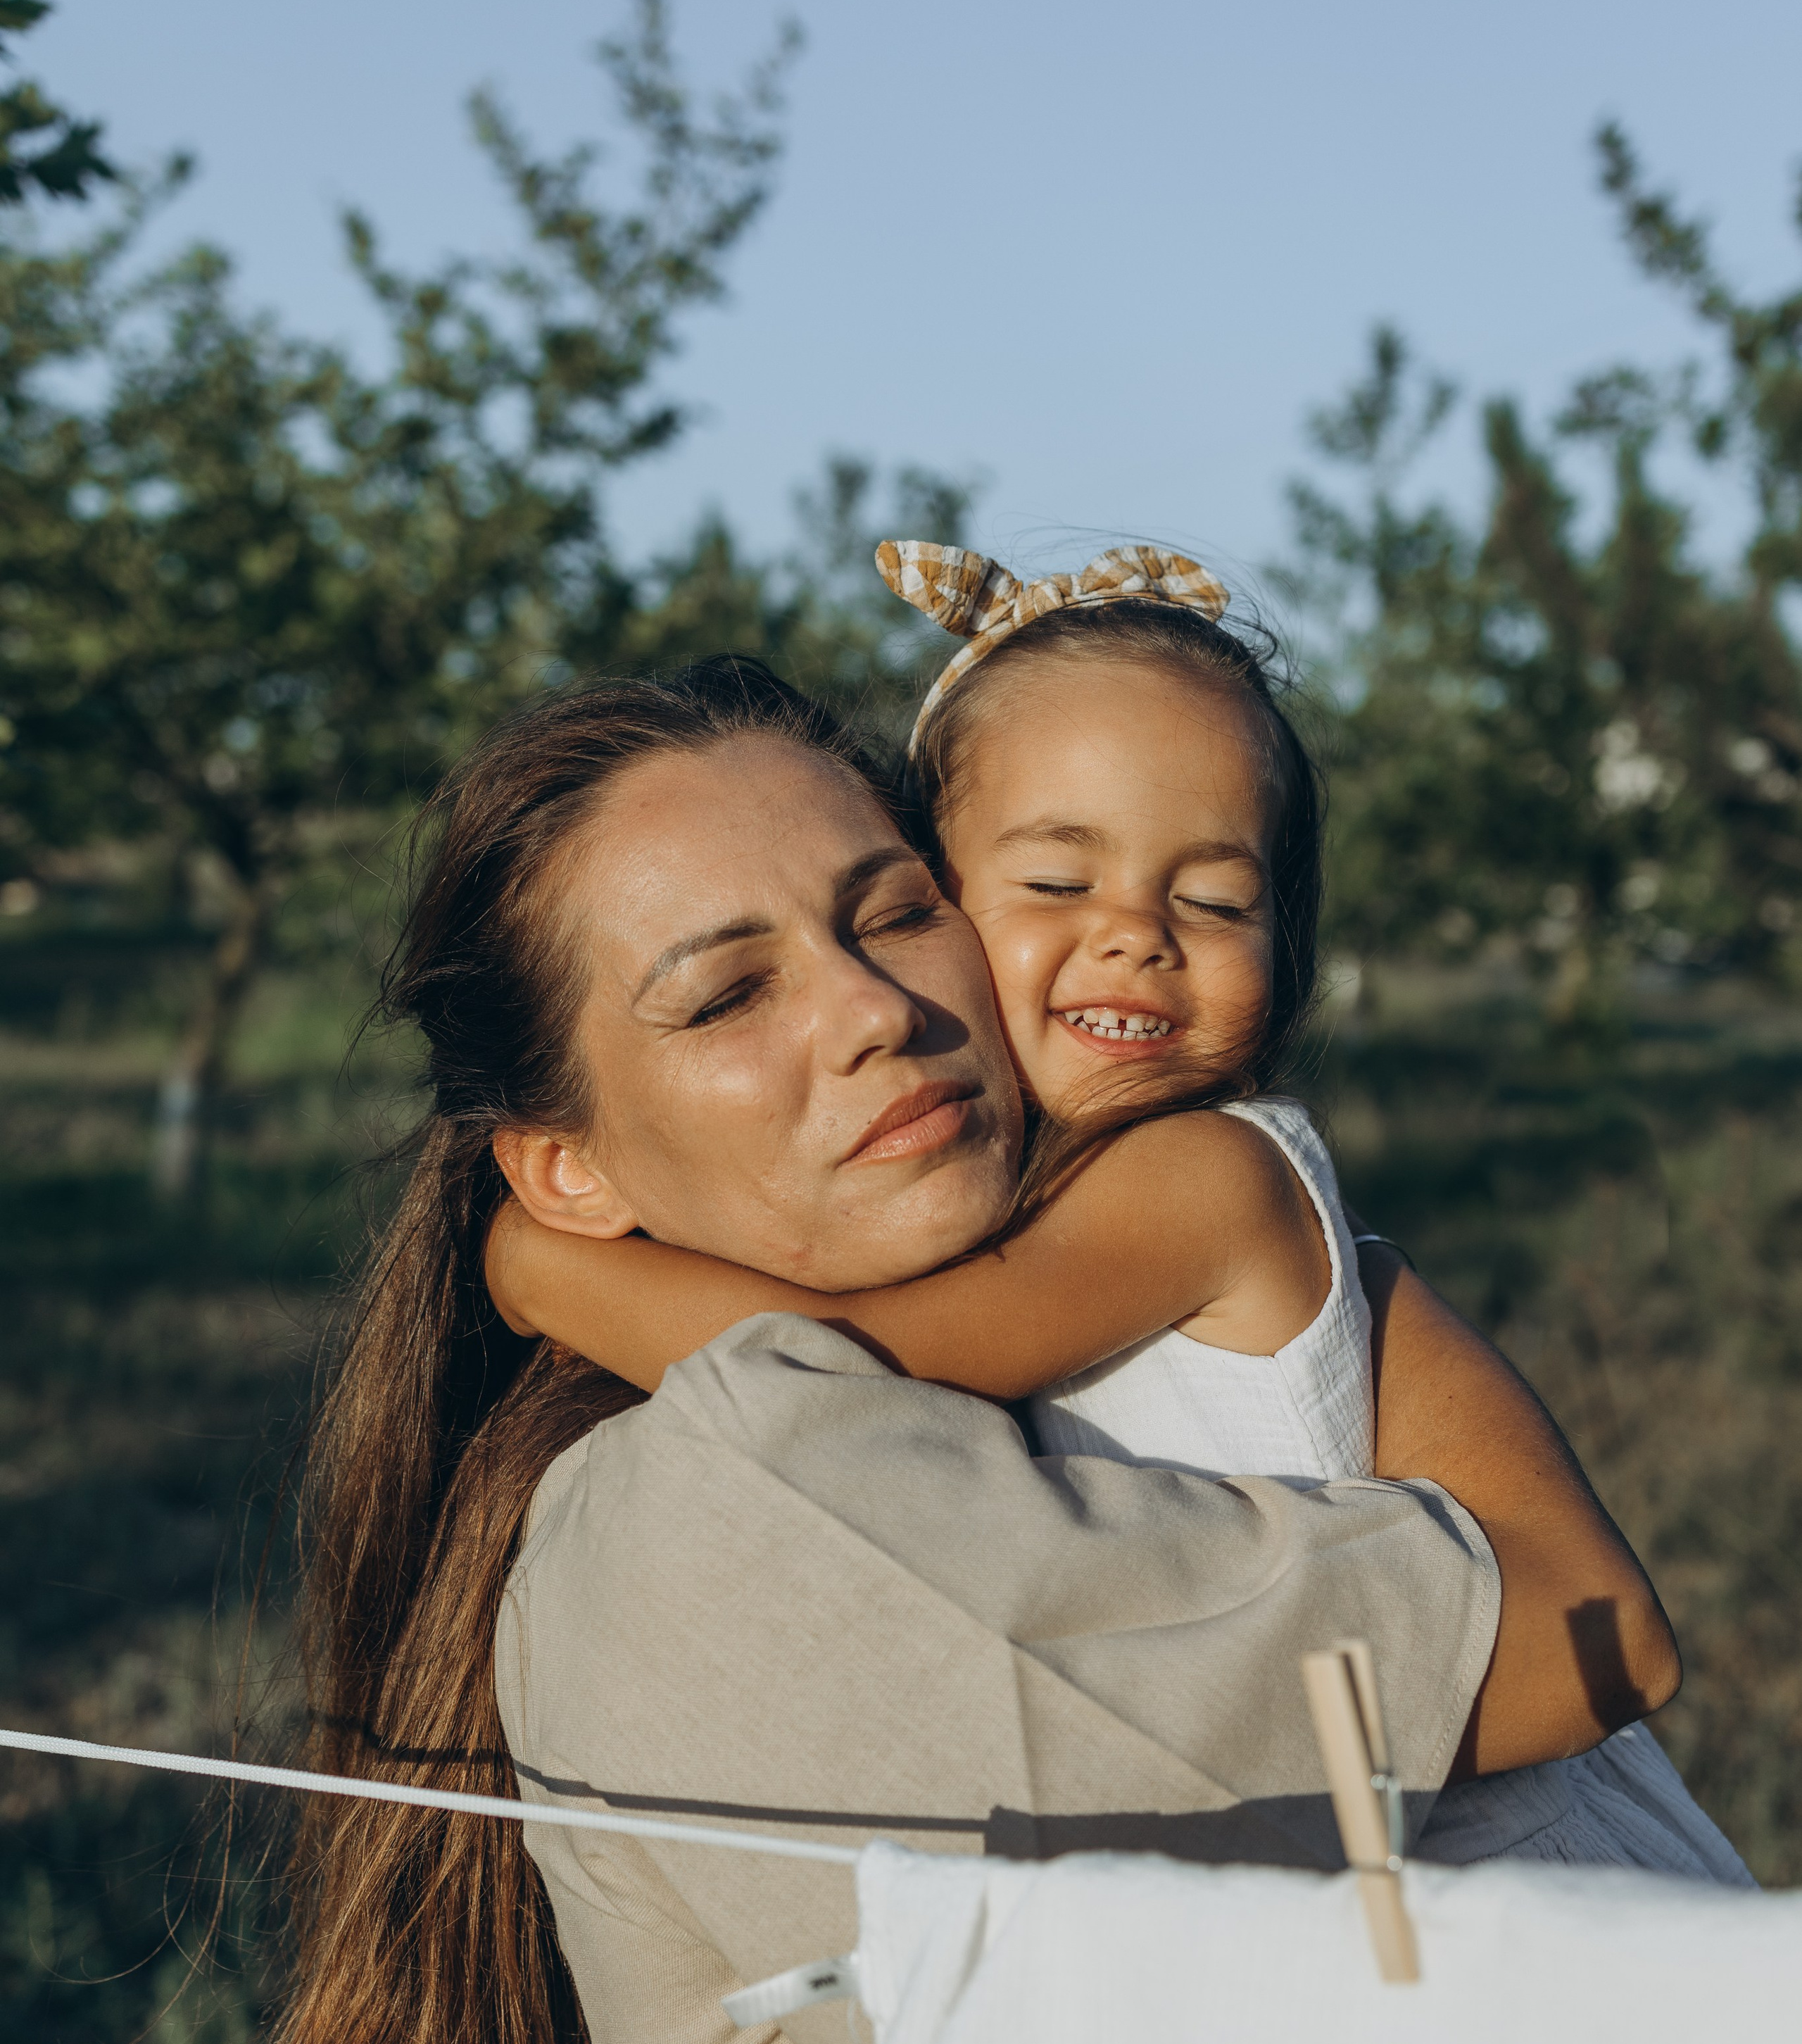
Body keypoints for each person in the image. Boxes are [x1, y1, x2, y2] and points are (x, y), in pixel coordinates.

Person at [246, 660, 1679, 2044]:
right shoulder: (709, 1503)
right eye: (724, 994)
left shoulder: (1109, 1239)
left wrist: (550, 1275)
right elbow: (1570, 1641)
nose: (871, 1013)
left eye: (893, 912)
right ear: (563, 1165)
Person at [488, 546, 1730, 1879]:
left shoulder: (1197, 1176)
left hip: (1529, 1889)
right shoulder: (1048, 1213)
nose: (1138, 933)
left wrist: (540, 1270)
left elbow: (854, 1361)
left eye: (1214, 900)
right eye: (1057, 883)